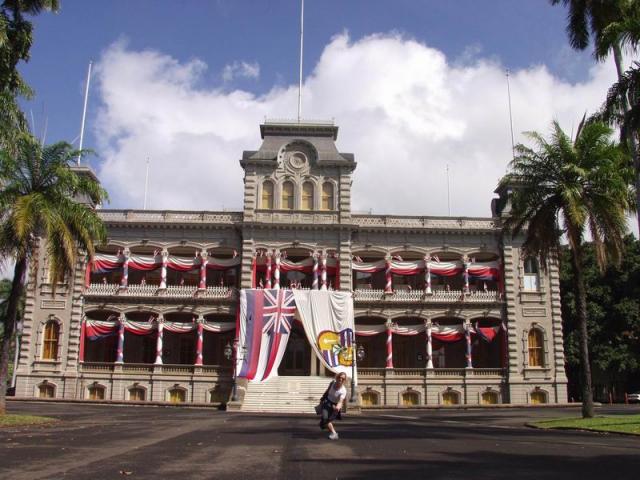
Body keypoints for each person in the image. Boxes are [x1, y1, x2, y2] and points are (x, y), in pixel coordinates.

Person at [319, 372, 347, 440]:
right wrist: (322, 398)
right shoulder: (332, 383)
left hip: (334, 406)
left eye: (342, 379)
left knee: (327, 420)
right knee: (325, 419)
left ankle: (333, 433)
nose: (340, 379)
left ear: (344, 380)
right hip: (327, 402)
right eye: (339, 377)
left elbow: (340, 401)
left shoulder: (343, 391)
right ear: (337, 377)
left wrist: (337, 407)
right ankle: (333, 433)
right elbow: (328, 391)